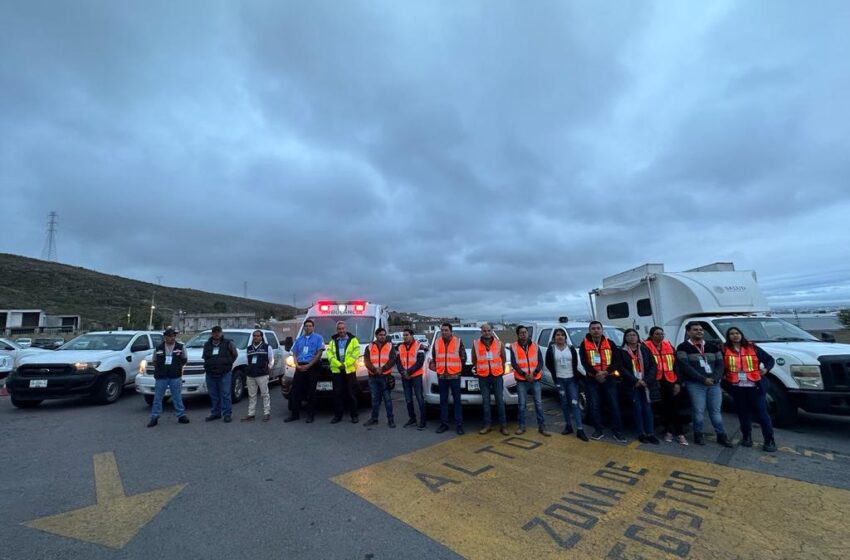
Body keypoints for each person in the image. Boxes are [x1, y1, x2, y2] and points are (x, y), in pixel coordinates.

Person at [677, 322, 733, 448]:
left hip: (714, 384)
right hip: (695, 384)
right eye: (695, 330)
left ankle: (721, 436)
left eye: (701, 330)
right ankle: (698, 434)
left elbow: (720, 364)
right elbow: (685, 366)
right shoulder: (683, 347)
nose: (699, 332)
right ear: (688, 332)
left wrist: (715, 378)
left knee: (715, 411)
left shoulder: (713, 346)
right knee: (698, 410)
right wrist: (703, 379)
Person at [723, 327, 777, 452]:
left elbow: (769, 360)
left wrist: (766, 369)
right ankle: (747, 437)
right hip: (737, 387)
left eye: (737, 333)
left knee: (762, 414)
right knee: (743, 413)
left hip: (755, 386)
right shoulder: (724, 349)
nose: (735, 336)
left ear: (741, 335)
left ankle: (769, 440)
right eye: (731, 334)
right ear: (728, 336)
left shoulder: (753, 347)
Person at [579, 321, 626, 443]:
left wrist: (605, 373)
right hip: (592, 379)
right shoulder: (584, 344)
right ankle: (598, 429)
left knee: (614, 404)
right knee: (594, 405)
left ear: (602, 330)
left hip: (609, 378)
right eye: (593, 328)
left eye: (598, 328)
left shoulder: (610, 343)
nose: (596, 330)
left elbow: (617, 361)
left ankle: (617, 431)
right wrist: (596, 374)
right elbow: (584, 362)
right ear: (589, 330)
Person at [644, 327, 687, 445]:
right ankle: (668, 431)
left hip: (670, 380)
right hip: (654, 381)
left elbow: (676, 365)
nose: (660, 336)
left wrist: (678, 382)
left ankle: (679, 433)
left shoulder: (668, 345)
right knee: (663, 408)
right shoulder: (645, 346)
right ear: (651, 335)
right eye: (657, 334)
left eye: (662, 334)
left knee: (674, 407)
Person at [544, 328, 588, 441]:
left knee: (574, 403)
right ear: (554, 338)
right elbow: (548, 363)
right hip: (560, 381)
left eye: (562, 335)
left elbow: (575, 363)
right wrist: (555, 375)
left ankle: (580, 429)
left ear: (565, 337)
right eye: (558, 335)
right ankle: (568, 426)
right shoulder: (552, 349)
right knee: (564, 404)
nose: (560, 337)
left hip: (571, 380)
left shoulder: (571, 348)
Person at [621, 329, 660, 444]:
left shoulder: (644, 349)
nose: (632, 337)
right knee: (637, 409)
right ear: (625, 338)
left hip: (646, 384)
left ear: (638, 337)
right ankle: (641, 433)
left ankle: (651, 433)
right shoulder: (622, 351)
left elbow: (653, 365)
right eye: (629, 335)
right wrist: (635, 381)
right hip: (632, 385)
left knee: (648, 409)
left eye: (634, 335)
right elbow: (621, 368)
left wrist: (646, 380)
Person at [511, 325, 550, 436]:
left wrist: (535, 373)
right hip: (521, 380)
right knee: (522, 405)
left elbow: (540, 362)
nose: (523, 334)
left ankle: (542, 427)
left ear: (528, 334)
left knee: (538, 404)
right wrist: (525, 374)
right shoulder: (513, 347)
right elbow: (514, 363)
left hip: (535, 379)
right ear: (518, 334)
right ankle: (522, 426)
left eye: (525, 332)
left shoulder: (535, 346)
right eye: (521, 333)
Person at [147, 328, 189, 427]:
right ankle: (154, 417)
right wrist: (161, 369)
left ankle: (181, 415)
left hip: (175, 376)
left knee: (177, 397)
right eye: (170, 336)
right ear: (165, 337)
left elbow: (184, 359)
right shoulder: (158, 348)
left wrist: (176, 368)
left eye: (174, 336)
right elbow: (154, 361)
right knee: (158, 398)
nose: (172, 338)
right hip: (161, 377)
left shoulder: (180, 347)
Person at [471, 323, 508, 436]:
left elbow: (503, 358)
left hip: (497, 376)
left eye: (488, 330)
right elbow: (474, 360)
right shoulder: (476, 344)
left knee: (500, 401)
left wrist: (498, 369)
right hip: (483, 377)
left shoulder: (499, 343)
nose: (487, 332)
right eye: (484, 331)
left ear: (492, 331)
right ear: (481, 332)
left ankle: (503, 426)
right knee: (486, 402)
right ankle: (487, 425)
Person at [429, 323, 466, 435]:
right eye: (442, 330)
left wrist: (457, 369)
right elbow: (435, 357)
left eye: (446, 330)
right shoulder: (436, 342)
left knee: (457, 401)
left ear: (451, 331)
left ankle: (459, 425)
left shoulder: (458, 342)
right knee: (443, 401)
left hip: (454, 376)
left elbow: (463, 358)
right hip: (442, 376)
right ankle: (444, 424)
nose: (444, 332)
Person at [285, 319, 324, 423]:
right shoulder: (299, 339)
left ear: (313, 327)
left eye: (310, 326)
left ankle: (310, 415)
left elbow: (319, 353)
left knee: (311, 392)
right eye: (306, 326)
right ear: (304, 327)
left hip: (312, 367)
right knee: (296, 391)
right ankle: (294, 415)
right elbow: (294, 353)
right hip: (300, 367)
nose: (308, 327)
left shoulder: (318, 338)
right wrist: (297, 365)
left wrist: (309, 365)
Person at [326, 321, 361, 424]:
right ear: (337, 330)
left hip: (349, 371)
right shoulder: (333, 341)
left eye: (343, 328)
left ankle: (354, 415)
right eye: (339, 329)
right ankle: (338, 415)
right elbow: (329, 355)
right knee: (337, 394)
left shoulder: (353, 340)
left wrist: (345, 364)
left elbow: (355, 354)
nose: (341, 330)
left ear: (346, 329)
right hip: (337, 371)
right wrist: (338, 364)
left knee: (351, 394)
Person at [202, 326, 239, 423]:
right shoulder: (207, 344)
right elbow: (205, 357)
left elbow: (235, 355)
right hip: (210, 374)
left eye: (218, 332)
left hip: (224, 373)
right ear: (212, 333)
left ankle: (227, 414)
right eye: (214, 332)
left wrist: (227, 364)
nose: (216, 334)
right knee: (214, 395)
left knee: (225, 394)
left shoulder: (228, 343)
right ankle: (216, 413)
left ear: (222, 333)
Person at [364, 328, 397, 428]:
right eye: (380, 335)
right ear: (376, 335)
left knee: (387, 400)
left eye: (384, 335)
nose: (382, 336)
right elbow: (366, 360)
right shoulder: (369, 347)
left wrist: (383, 369)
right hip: (373, 376)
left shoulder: (390, 346)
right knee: (374, 399)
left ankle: (391, 420)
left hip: (385, 376)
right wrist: (375, 370)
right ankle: (374, 418)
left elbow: (393, 359)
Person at [396, 328, 427, 430]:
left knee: (419, 398)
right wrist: (403, 372)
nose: (405, 337)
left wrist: (408, 372)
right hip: (405, 377)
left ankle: (423, 421)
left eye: (407, 335)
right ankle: (412, 418)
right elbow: (398, 362)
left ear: (412, 335)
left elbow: (420, 362)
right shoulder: (400, 347)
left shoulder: (419, 346)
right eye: (404, 335)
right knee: (408, 399)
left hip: (416, 376)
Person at [241, 330, 274, 423]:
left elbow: (271, 360)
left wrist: (268, 369)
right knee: (252, 395)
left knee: (265, 394)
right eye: (254, 336)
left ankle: (266, 413)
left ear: (261, 337)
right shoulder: (249, 348)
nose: (256, 337)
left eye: (258, 336)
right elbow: (247, 361)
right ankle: (251, 414)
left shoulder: (267, 347)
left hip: (262, 374)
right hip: (251, 375)